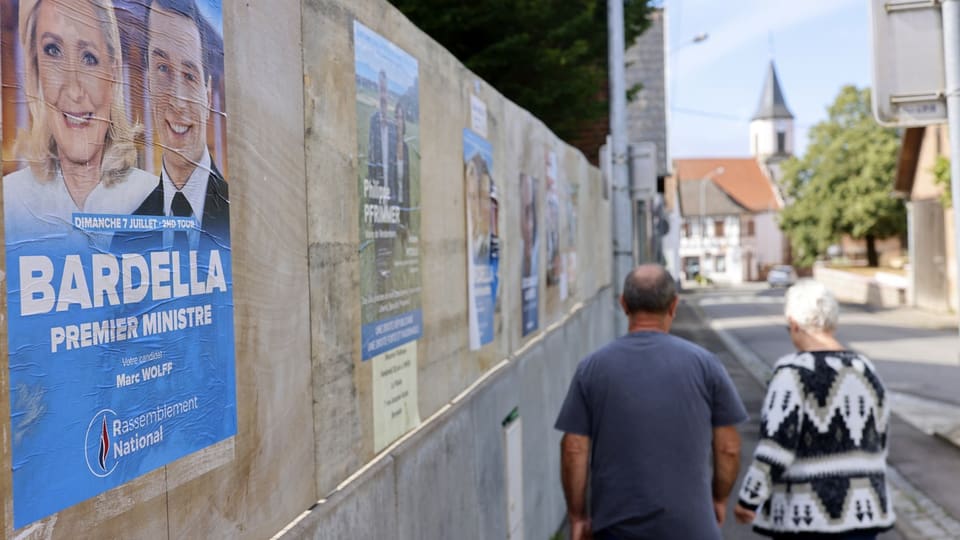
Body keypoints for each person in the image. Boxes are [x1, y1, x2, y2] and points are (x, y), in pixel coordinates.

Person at [555, 264, 748, 539]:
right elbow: (728, 447)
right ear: (674, 305)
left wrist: (578, 517)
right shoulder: (706, 365)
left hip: (616, 530)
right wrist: (718, 499)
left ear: (623, 305)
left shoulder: (593, 368)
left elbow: (574, 448)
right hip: (693, 529)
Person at [734, 280, 896, 539]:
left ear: (794, 322)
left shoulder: (793, 373)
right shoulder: (866, 369)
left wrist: (749, 499)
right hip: (864, 513)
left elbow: (776, 447)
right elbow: (882, 438)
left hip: (808, 518)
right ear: (834, 323)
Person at [4, 0, 156, 248]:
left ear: (113, 73)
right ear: (35, 69)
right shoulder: (11, 198)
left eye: (89, 58)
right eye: (53, 51)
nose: (74, 90)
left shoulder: (152, 197)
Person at [127, 0, 229, 249]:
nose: (177, 100)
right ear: (148, 81)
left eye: (189, 75)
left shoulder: (238, 215)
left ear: (207, 97)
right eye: (163, 68)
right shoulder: (126, 236)